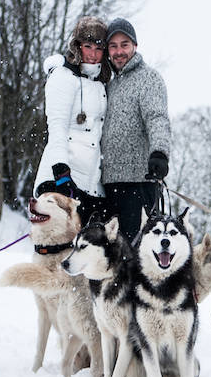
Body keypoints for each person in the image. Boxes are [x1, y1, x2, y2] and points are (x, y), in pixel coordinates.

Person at [33, 16, 111, 223]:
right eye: (87, 46)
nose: (93, 54)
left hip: (91, 182)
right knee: (57, 245)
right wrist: (61, 171)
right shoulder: (63, 76)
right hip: (62, 178)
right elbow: (56, 126)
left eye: (98, 48)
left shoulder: (101, 84)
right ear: (77, 46)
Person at [101, 18, 172, 242]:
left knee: (135, 254)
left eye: (124, 44)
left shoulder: (148, 78)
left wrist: (159, 153)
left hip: (139, 183)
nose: (119, 51)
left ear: (135, 46)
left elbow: (157, 118)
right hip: (109, 183)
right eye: (113, 46)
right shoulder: (110, 86)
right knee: (112, 255)